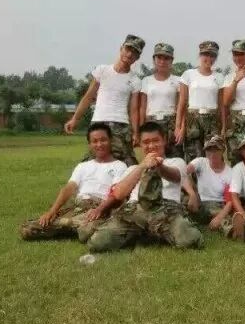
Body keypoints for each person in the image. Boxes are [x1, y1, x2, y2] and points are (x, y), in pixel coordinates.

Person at [82, 121, 203, 252]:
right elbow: (119, 194)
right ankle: (146, 233)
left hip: (165, 210)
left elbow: (176, 176)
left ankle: (147, 234)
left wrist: (159, 166)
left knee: (190, 240)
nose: (151, 146)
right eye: (146, 142)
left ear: (164, 140)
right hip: (135, 211)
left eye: (156, 141)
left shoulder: (176, 162)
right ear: (140, 144)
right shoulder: (132, 169)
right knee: (97, 243)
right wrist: (143, 166)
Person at [19, 123, 127, 241]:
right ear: (90, 144)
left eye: (103, 140)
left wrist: (99, 209)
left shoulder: (119, 166)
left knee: (87, 232)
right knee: (27, 229)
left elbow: (116, 193)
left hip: (101, 208)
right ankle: (69, 225)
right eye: (95, 141)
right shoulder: (83, 166)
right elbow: (69, 188)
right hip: (78, 208)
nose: (99, 144)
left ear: (110, 141)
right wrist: (52, 211)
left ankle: (65, 225)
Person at [64, 34, 144, 166]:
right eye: (128, 49)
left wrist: (136, 133)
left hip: (121, 126)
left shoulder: (135, 80)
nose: (130, 54)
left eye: (134, 52)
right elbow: (88, 96)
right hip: (98, 122)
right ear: (121, 48)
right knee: (93, 162)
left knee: (127, 164)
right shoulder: (102, 70)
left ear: (137, 57)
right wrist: (75, 119)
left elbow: (134, 109)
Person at [176, 41, 223, 163]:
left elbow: (221, 105)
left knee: (213, 157)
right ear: (200, 55)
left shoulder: (219, 77)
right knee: (194, 158)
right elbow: (182, 103)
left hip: (212, 121)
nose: (209, 58)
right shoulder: (188, 75)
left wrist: (223, 127)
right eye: (206, 54)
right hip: (193, 121)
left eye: (212, 55)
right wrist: (179, 127)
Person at [139, 42, 183, 158]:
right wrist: (141, 129)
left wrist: (179, 127)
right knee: (153, 158)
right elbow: (142, 107)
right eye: (159, 57)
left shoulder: (178, 80)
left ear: (171, 60)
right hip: (152, 122)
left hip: (171, 122)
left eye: (166, 58)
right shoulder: (146, 81)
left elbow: (181, 106)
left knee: (175, 157)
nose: (162, 61)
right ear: (154, 59)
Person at [186, 135, 233, 231]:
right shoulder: (200, 162)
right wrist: (192, 194)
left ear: (222, 150)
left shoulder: (230, 173)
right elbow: (183, 173)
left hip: (217, 205)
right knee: (182, 200)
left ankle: (234, 228)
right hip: (199, 202)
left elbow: (230, 201)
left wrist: (219, 217)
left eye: (216, 150)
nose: (212, 153)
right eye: (209, 150)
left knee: (222, 219)